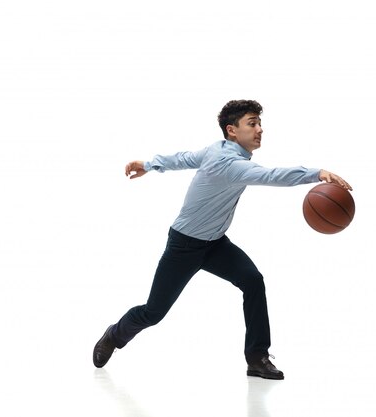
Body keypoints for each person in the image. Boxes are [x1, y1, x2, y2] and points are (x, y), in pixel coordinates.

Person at [93, 99, 352, 379]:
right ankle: (114, 335)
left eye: (260, 123)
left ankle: (256, 357)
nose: (260, 129)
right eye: (252, 124)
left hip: (215, 243)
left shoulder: (217, 149)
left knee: (253, 281)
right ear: (232, 130)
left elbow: (184, 158)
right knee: (154, 312)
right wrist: (316, 173)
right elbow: (272, 176)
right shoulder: (229, 163)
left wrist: (148, 164)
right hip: (184, 246)